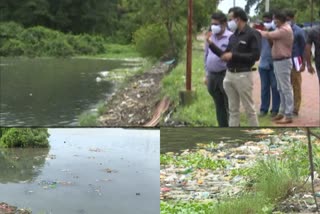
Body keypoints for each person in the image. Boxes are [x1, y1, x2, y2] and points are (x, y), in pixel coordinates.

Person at [207, 7, 261, 127]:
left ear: (238, 19)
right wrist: (211, 45)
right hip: (229, 75)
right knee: (233, 110)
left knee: (249, 109)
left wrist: (234, 55)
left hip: (243, 74)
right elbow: (224, 54)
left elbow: (255, 56)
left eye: (230, 19)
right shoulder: (234, 36)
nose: (229, 22)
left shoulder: (252, 34)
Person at [258, 10, 294, 124]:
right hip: (278, 62)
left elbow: (268, 34)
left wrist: (257, 31)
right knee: (280, 88)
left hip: (283, 61)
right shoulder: (282, 29)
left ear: (279, 19)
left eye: (275, 20)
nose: (274, 22)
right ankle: (282, 112)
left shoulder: (284, 30)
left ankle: (288, 114)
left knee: (286, 88)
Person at [204, 12, 233, 127]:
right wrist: (206, 74)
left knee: (229, 105)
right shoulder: (210, 37)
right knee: (218, 105)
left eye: (216, 24)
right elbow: (206, 55)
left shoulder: (230, 37)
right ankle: (222, 128)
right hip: (212, 76)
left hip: (225, 75)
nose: (213, 27)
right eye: (212, 24)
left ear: (224, 24)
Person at [258, 12, 280, 118]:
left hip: (274, 63)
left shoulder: (276, 32)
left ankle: (275, 109)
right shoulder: (261, 33)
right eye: (264, 21)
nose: (266, 23)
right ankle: (264, 109)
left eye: (268, 21)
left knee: (275, 87)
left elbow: (273, 45)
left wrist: (268, 35)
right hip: (263, 64)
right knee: (264, 88)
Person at [285, 9, 306, 116]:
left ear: (293, 19)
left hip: (296, 60)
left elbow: (304, 47)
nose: (287, 21)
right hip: (284, 61)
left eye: (288, 19)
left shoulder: (299, 31)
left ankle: (295, 109)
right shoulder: (283, 30)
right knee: (285, 86)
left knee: (296, 85)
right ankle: (286, 107)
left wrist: (304, 63)